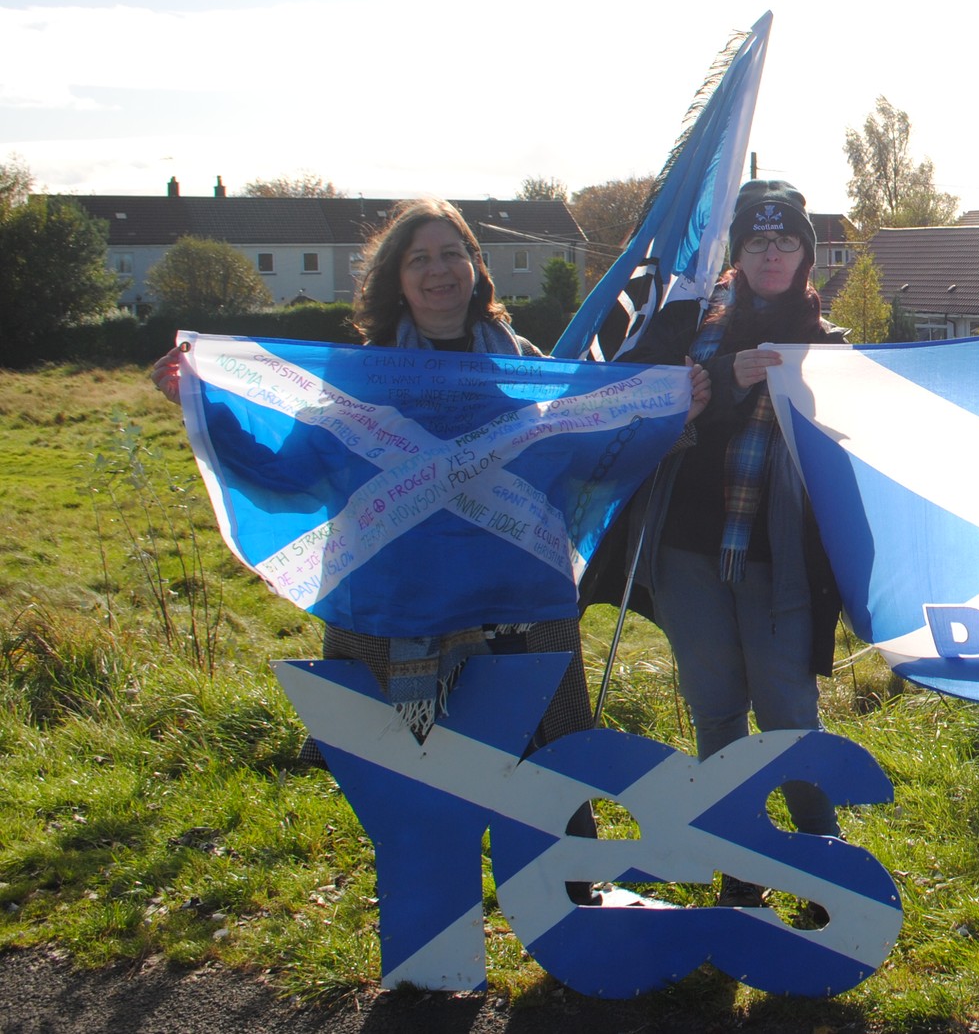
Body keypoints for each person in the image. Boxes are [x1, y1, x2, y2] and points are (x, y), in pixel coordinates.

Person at [153, 199, 706, 899]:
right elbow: (288, 470)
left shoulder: (526, 367)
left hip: (521, 608)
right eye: (419, 259)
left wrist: (669, 410)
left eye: (452, 253)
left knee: (555, 772)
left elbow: (585, 456)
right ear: (397, 278)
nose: (438, 270)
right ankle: (436, 922)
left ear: (477, 267)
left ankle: (573, 911)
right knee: (418, 798)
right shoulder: (360, 378)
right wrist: (202, 405)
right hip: (399, 613)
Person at [621, 179, 847, 911]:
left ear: (805, 256)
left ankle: (826, 871)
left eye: (786, 242)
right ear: (738, 252)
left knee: (789, 717)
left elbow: (846, 460)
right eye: (757, 240)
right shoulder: (690, 329)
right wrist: (717, 383)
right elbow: (636, 407)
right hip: (688, 553)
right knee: (717, 713)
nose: (771, 253)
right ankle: (738, 870)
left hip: (781, 564)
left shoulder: (832, 347)